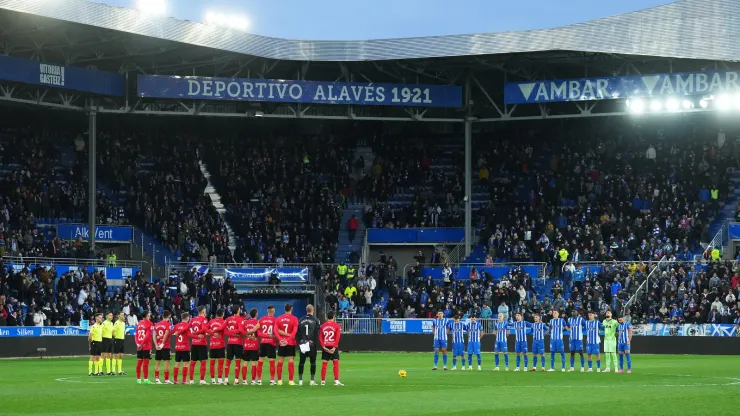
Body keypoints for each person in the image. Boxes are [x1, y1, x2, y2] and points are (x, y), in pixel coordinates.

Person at [274, 303, 299, 385]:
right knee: (290, 360)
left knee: (280, 361)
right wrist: (288, 340)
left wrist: (281, 340)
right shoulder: (295, 319)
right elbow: (294, 331)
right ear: (291, 309)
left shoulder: (279, 318)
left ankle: (279, 381)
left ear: (284, 309)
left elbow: (275, 331)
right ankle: (291, 381)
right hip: (290, 342)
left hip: (282, 343)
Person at [297, 304, 321, 385]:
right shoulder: (316, 320)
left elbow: (298, 332)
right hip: (312, 344)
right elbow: (317, 331)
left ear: (306, 310)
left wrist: (301, 341)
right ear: (313, 310)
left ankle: (300, 381)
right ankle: (312, 380)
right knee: (313, 362)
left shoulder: (301, 320)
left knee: (301, 362)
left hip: (303, 343)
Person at [319, 310, 343, 386]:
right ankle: (336, 380)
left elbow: (320, 337)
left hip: (325, 346)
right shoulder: (336, 326)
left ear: (327, 317)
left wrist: (323, 346)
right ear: (333, 317)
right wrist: (334, 347)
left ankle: (323, 381)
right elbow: (337, 337)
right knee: (335, 363)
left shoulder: (323, 326)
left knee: (324, 364)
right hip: (333, 346)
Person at [223, 305, 245, 385]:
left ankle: (226, 379)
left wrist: (231, 333)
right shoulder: (240, 319)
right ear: (238, 310)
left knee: (228, 361)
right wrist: (237, 335)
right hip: (238, 343)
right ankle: (236, 380)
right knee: (237, 362)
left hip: (230, 343)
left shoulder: (228, 319)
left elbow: (225, 331)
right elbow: (240, 331)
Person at [188, 305, 209, 385]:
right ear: (203, 312)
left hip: (194, 344)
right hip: (202, 343)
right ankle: (202, 380)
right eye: (205, 311)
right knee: (203, 363)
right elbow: (204, 329)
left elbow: (189, 332)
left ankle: (191, 380)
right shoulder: (204, 319)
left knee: (192, 363)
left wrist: (195, 335)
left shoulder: (192, 320)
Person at [257, 305, 277, 385]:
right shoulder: (275, 320)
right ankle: (272, 380)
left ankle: (259, 380)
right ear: (273, 311)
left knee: (260, 361)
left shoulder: (261, 320)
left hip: (263, 342)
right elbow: (276, 332)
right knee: (272, 362)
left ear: (267, 311)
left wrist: (265, 336)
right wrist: (270, 336)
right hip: (271, 343)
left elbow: (258, 333)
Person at [241, 308, 261, 385]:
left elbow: (242, 332)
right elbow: (258, 334)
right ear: (256, 314)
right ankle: (253, 381)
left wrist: (248, 336)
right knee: (254, 363)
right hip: (254, 346)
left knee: (245, 363)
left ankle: (244, 381)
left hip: (246, 346)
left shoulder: (245, 322)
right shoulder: (257, 322)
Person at [134, 309, 154, 384]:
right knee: (146, 363)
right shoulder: (149, 323)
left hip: (139, 345)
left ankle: (138, 379)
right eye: (149, 315)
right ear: (146, 316)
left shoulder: (139, 323)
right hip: (146, 346)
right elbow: (147, 336)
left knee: (139, 361)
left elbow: (136, 335)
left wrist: (138, 344)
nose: (150, 317)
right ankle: (146, 379)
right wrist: (142, 344)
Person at [207, 309, 227, 384]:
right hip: (220, 345)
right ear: (222, 314)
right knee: (220, 363)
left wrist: (212, 333)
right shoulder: (224, 322)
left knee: (212, 363)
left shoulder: (211, 321)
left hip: (212, 345)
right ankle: (219, 379)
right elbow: (226, 331)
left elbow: (205, 329)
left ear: (216, 314)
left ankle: (213, 380)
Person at [153, 310, 172, 384]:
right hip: (165, 346)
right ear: (169, 316)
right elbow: (167, 334)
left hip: (158, 347)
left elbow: (154, 335)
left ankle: (157, 379)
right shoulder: (168, 324)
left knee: (157, 363)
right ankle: (166, 380)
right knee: (166, 363)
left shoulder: (157, 324)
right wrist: (163, 343)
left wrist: (156, 345)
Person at [172, 312, 191, 384]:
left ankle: (175, 380)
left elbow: (171, 333)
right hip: (185, 347)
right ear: (187, 318)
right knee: (185, 364)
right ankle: (184, 380)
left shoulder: (176, 326)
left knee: (177, 364)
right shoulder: (187, 326)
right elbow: (189, 334)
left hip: (178, 347)